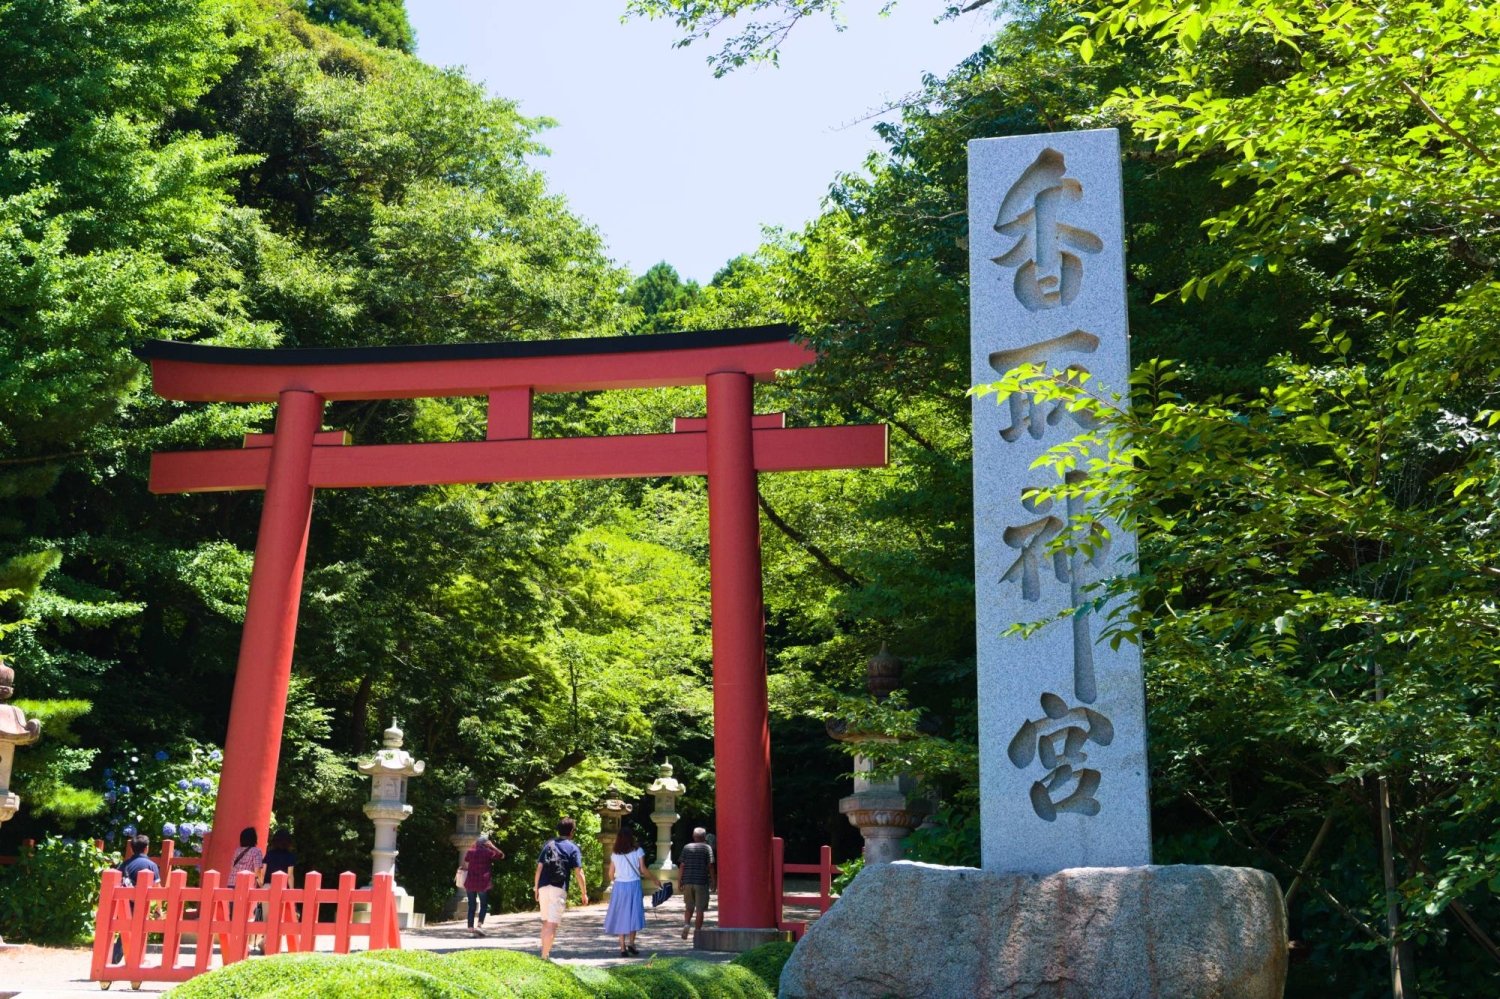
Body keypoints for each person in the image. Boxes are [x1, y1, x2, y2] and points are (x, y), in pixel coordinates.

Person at [533, 816, 587, 960]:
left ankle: (545, 954)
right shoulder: (572, 848)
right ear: (572, 832)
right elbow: (579, 872)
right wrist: (584, 893)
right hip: (558, 888)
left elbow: (539, 868)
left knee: (546, 922)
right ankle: (544, 957)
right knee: (552, 924)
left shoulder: (548, 845)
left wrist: (536, 888)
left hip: (543, 887)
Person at [602, 824, 658, 957]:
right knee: (634, 913)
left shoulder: (615, 854)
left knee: (621, 914)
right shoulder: (638, 851)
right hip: (634, 885)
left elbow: (610, 873)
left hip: (620, 886)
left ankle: (622, 947)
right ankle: (632, 943)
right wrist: (654, 879)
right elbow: (643, 869)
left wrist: (616, 880)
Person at [111, 834, 161, 964]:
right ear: (147, 848)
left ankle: (118, 958)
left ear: (132, 848)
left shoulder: (124, 864)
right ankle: (127, 959)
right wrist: (159, 908)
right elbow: (157, 889)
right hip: (139, 904)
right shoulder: (151, 865)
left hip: (122, 903)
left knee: (125, 931)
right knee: (135, 932)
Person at [460, 832, 504, 937]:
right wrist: (492, 846)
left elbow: (465, 863)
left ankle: (470, 929)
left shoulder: (471, 851)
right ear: (486, 843)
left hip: (470, 882)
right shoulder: (488, 852)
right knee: (483, 905)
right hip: (482, 883)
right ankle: (479, 926)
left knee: (471, 906)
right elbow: (502, 855)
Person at [677, 826, 716, 940]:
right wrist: (714, 881)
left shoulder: (687, 847)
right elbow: (711, 866)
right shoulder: (707, 848)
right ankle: (697, 933)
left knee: (689, 907)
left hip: (688, 881)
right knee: (700, 909)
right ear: (704, 837)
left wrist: (679, 881)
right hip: (701, 882)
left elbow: (682, 865)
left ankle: (686, 924)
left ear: (693, 836)